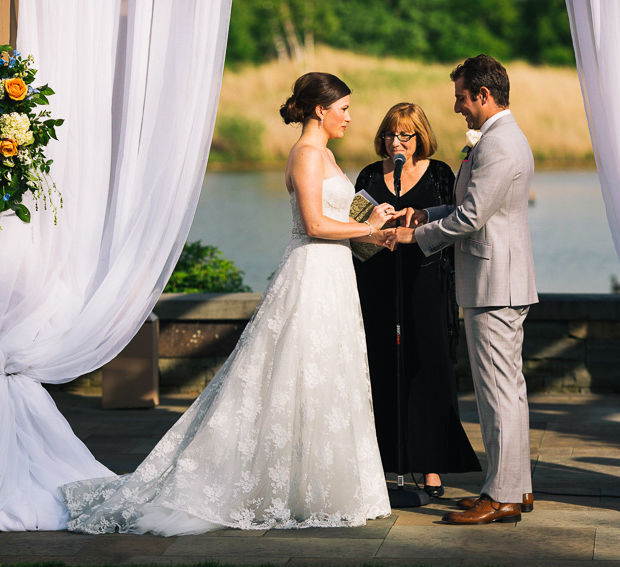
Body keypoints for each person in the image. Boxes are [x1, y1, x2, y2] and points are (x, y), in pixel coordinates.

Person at [59, 72, 398, 536]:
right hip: (312, 273)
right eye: (343, 108)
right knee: (293, 370)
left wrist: (372, 221)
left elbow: (341, 217)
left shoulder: (328, 154)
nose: (349, 117)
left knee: (328, 372)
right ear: (320, 109)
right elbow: (315, 224)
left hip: (336, 275)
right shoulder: (304, 155)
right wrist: (368, 230)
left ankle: (322, 485)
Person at [392, 55, 538, 524]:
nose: (457, 107)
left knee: (497, 392)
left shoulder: (499, 144)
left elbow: (473, 218)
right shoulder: (499, 138)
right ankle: (516, 487)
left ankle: (501, 496)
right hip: (498, 280)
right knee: (507, 391)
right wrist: (427, 214)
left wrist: (415, 236)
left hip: (495, 283)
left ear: (483, 94)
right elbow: (470, 206)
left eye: (461, 97)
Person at [352, 103, 481, 497]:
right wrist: (374, 229)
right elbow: (354, 228)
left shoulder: (441, 173)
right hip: (377, 282)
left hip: (428, 283)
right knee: (381, 367)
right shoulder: (371, 175)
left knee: (430, 367)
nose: (397, 142)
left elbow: (455, 222)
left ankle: (431, 466)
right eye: (391, 134)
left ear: (420, 136)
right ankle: (385, 462)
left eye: (406, 134)